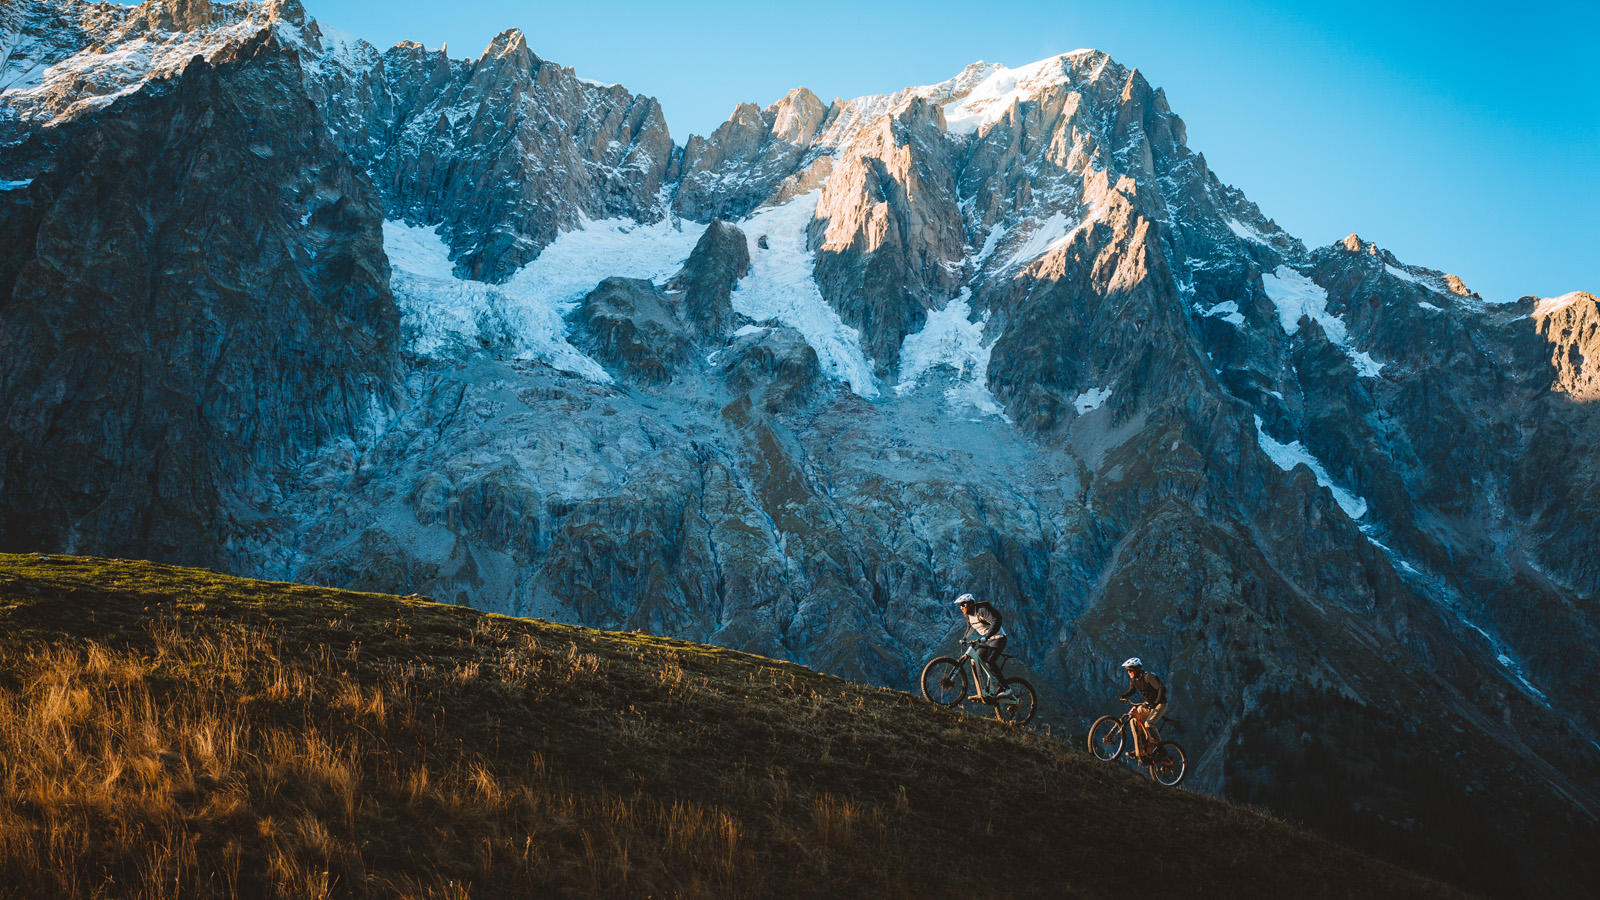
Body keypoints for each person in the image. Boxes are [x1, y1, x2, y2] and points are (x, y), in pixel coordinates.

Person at [955, 594, 1011, 699]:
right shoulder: (968, 616)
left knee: (989, 662)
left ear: (971, 604)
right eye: (960, 606)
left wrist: (987, 636)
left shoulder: (981, 611)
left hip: (998, 638)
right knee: (974, 661)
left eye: (963, 604)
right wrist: (964, 638)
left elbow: (996, 621)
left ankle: (1007, 688)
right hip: (986, 640)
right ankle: (982, 692)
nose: (961, 608)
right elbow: (970, 627)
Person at [1118, 657, 1167, 750]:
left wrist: (1156, 702)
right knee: (1133, 720)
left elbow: (1162, 688)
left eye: (1130, 670)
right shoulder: (1134, 680)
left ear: (1137, 668)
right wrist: (1123, 696)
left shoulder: (1148, 677)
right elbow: (1132, 690)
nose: (1128, 672)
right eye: (1127, 670)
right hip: (1148, 704)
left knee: (1148, 724)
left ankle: (1160, 749)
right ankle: (1139, 750)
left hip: (1160, 704)